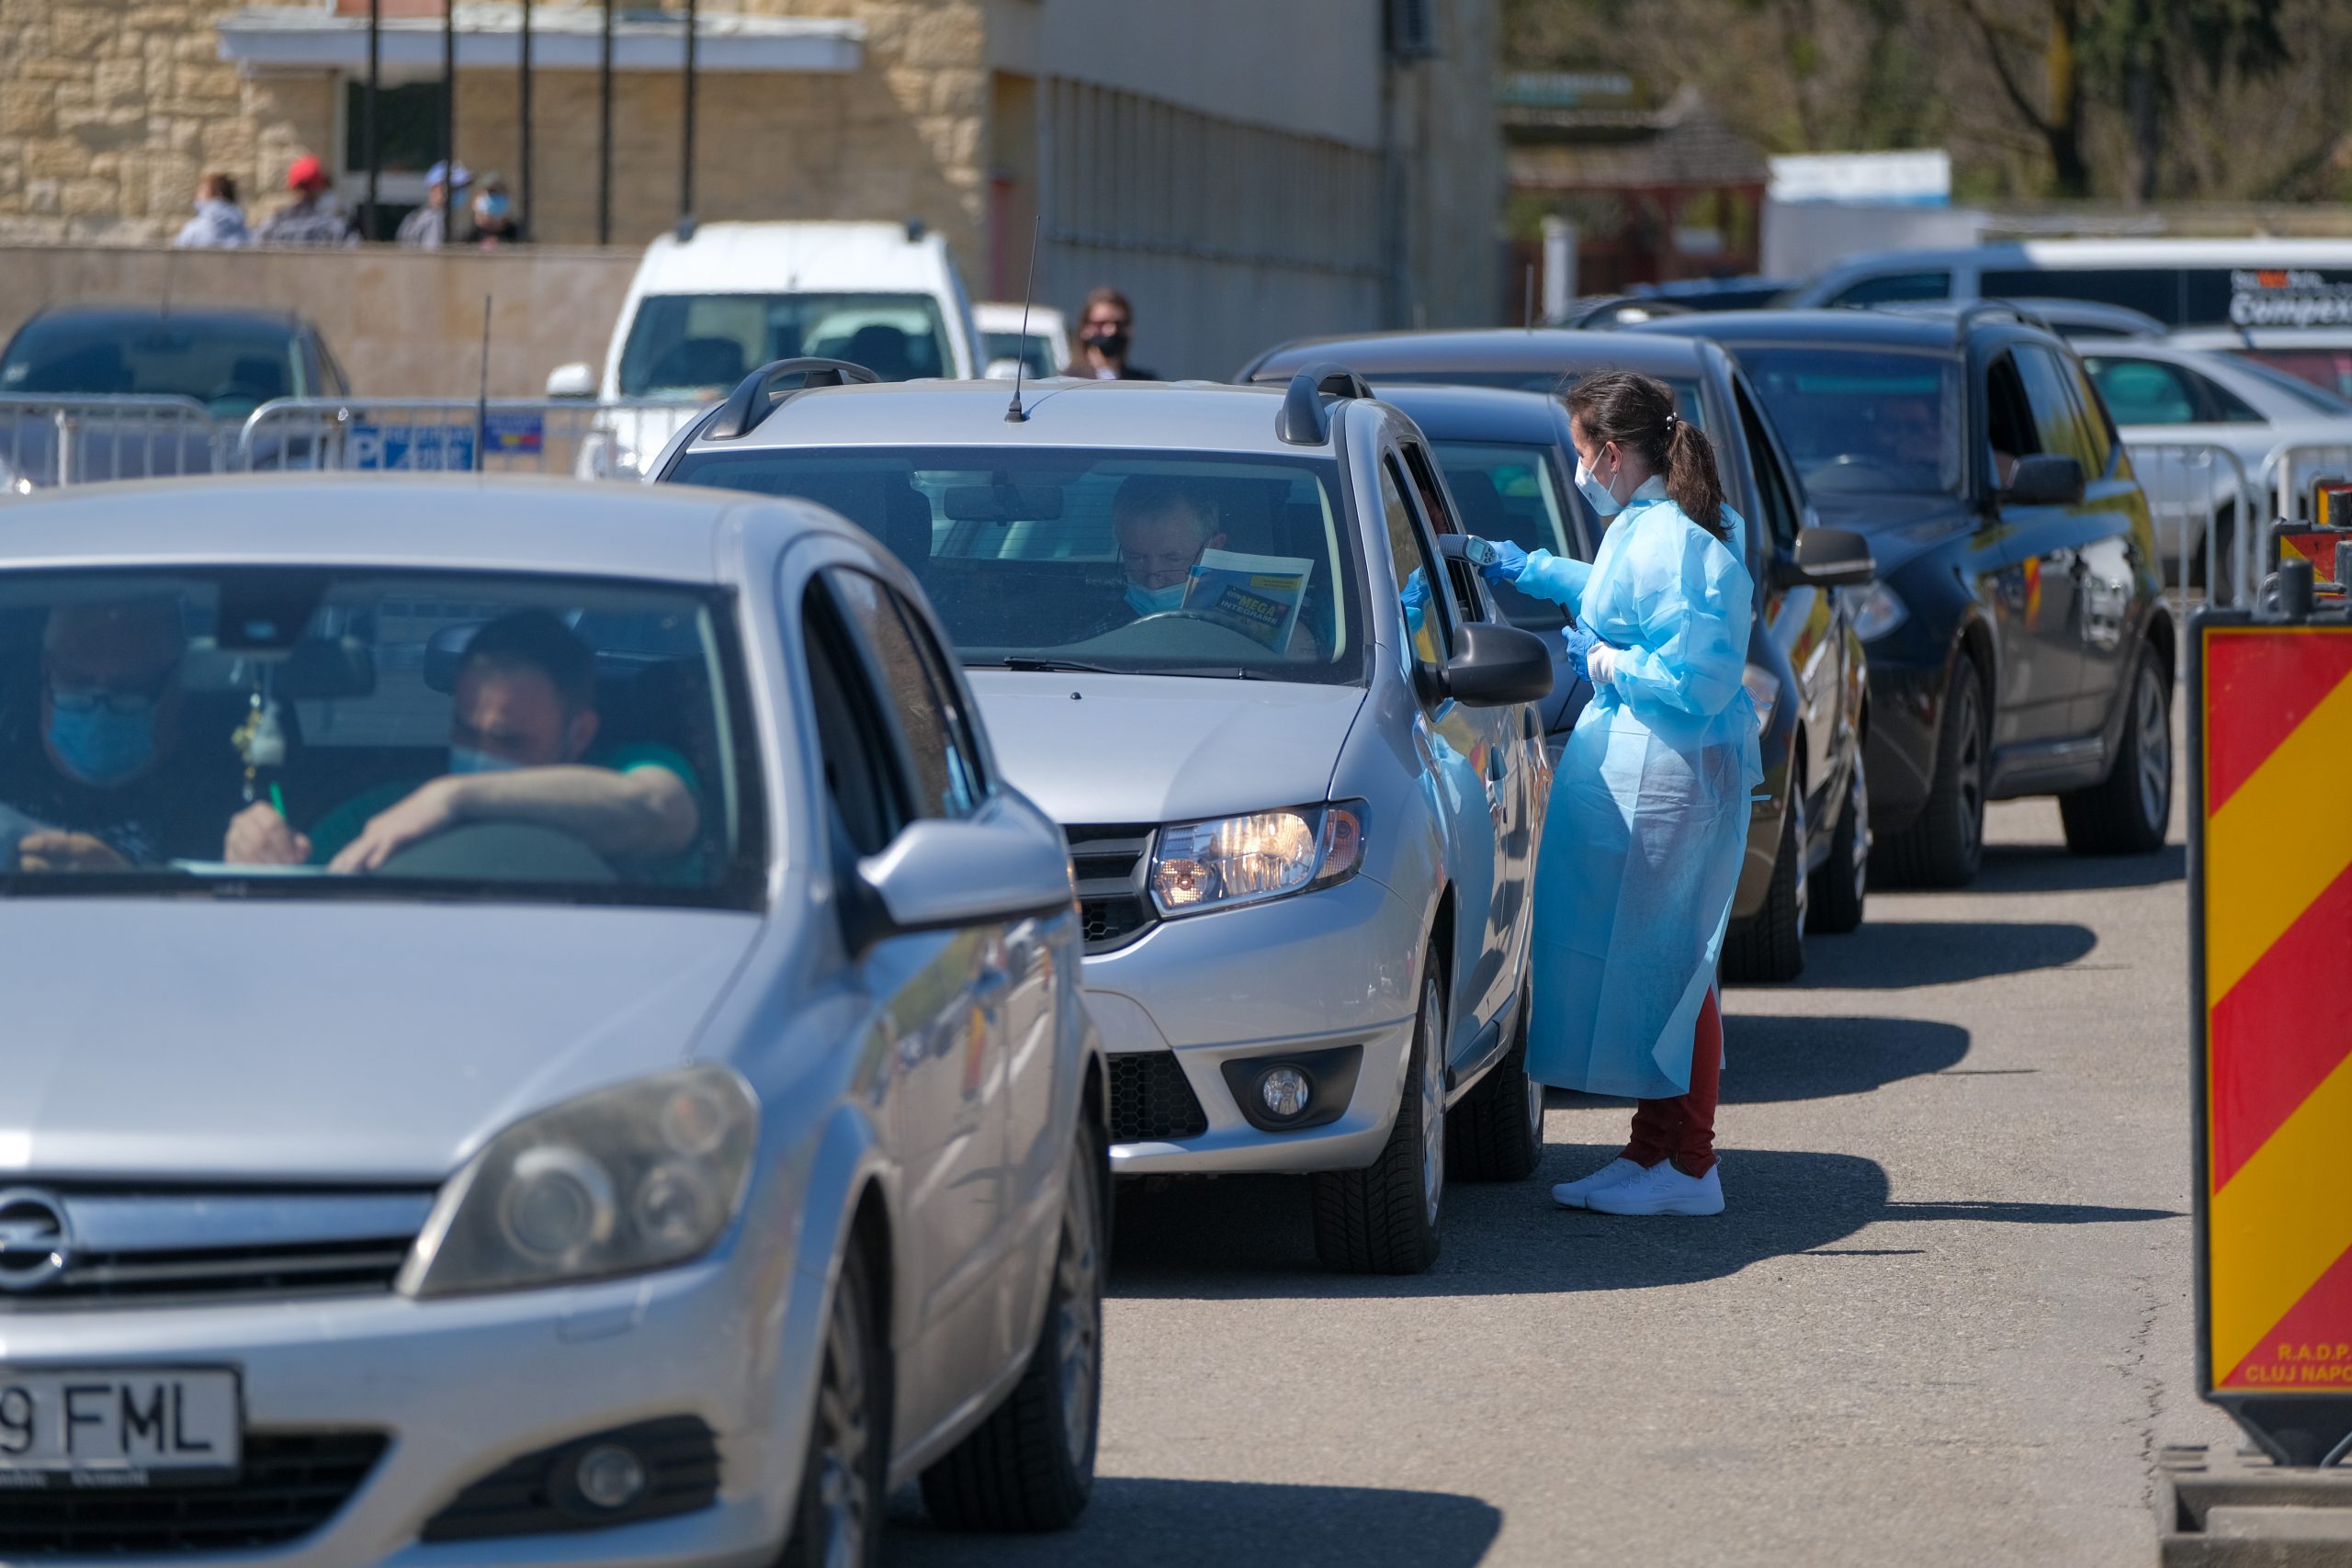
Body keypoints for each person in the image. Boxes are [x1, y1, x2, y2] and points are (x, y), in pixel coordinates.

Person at [1473, 371, 1762, 1218]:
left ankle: (1693, 1164)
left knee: (1677, 968)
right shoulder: (1651, 523)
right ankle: (1651, 1149)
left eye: (1579, 453)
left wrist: (1607, 662)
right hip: (1657, 766)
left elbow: (1699, 675)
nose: (1578, 470)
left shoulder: (1675, 537)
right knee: (1653, 964)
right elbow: (1617, 591)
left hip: (1671, 772)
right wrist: (1526, 568)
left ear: (1609, 452)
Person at [223, 610, 701, 875]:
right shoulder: (390, 812)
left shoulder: (621, 779)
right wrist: (260, 856)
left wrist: (456, 799)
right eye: (466, 732)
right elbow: (300, 891)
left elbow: (660, 809)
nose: (482, 754)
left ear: (580, 734)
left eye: (508, 740)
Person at [0, 599, 245, 871]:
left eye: (128, 686)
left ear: (176, 686)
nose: (100, 708)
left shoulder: (224, 788)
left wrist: (126, 881)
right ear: (45, 671)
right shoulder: (8, 754)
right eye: (77, 681)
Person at [1079, 475, 1225, 637]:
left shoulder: (1245, 633)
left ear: (1214, 549)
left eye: (1173, 559)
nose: (1153, 583)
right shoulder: (1098, 641)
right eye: (1135, 557)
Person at [254, 155, 358, 248]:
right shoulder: (334, 228)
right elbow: (354, 255)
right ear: (318, 188)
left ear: (292, 189)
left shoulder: (273, 225)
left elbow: (254, 250)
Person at [1075, 288, 1157, 380]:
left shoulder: (1146, 382)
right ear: (1084, 328)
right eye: (1101, 324)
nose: (1111, 330)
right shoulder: (1068, 382)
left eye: (1119, 324)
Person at [394, 161, 469, 249]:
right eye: (456, 188)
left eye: (463, 187)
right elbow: (432, 255)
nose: (462, 192)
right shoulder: (434, 218)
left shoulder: (417, 215)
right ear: (436, 188)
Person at [175, 172, 248, 248]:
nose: (197, 197)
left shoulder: (193, 230)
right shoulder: (244, 232)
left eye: (202, 191)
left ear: (219, 194)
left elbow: (177, 251)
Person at [469, 172, 523, 248]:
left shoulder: (519, 235)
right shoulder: (470, 237)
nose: (496, 197)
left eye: (499, 193)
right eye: (491, 192)